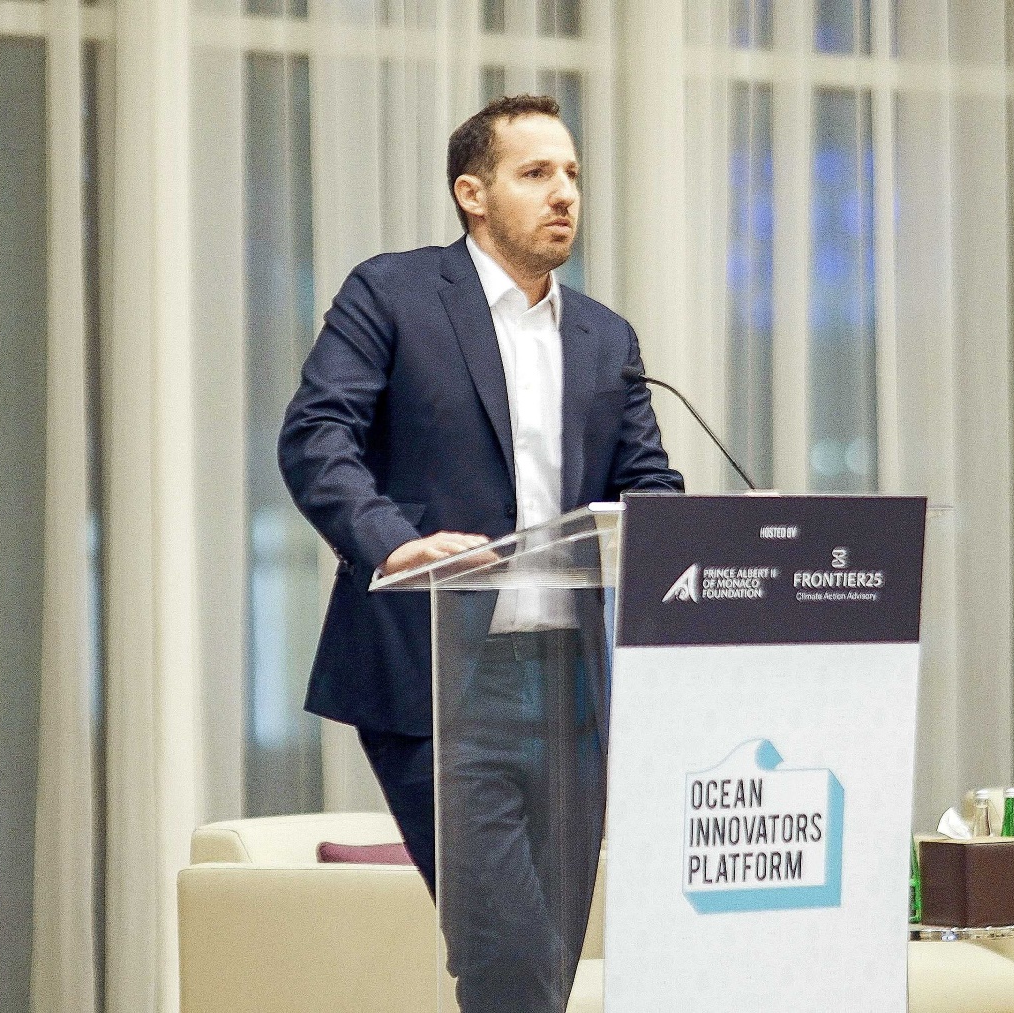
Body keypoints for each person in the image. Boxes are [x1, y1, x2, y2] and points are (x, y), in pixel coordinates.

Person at [278, 93, 684, 1012]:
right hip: (439, 671)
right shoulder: (394, 294)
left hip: (569, 683)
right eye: (536, 173)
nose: (564, 193)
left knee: (548, 958)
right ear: (473, 193)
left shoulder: (606, 337)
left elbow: (647, 483)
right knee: (506, 948)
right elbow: (317, 436)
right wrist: (396, 544)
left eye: (572, 173)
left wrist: (682, 536)